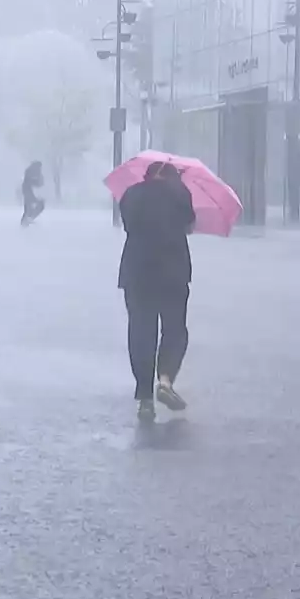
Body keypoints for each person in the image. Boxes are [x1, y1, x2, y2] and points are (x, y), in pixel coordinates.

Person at [118, 160, 196, 421]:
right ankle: (165, 380)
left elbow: (129, 225)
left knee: (141, 332)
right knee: (174, 329)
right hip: (172, 272)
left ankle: (144, 399)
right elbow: (189, 225)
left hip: (137, 272)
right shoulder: (180, 193)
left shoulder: (131, 194)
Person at [20, 160, 46, 227]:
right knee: (29, 207)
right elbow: (29, 182)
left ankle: (27, 221)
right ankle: (26, 221)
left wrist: (39, 181)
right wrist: (38, 181)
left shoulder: (35, 172)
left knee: (31, 207)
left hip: (29, 191)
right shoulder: (30, 171)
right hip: (28, 190)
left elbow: (39, 184)